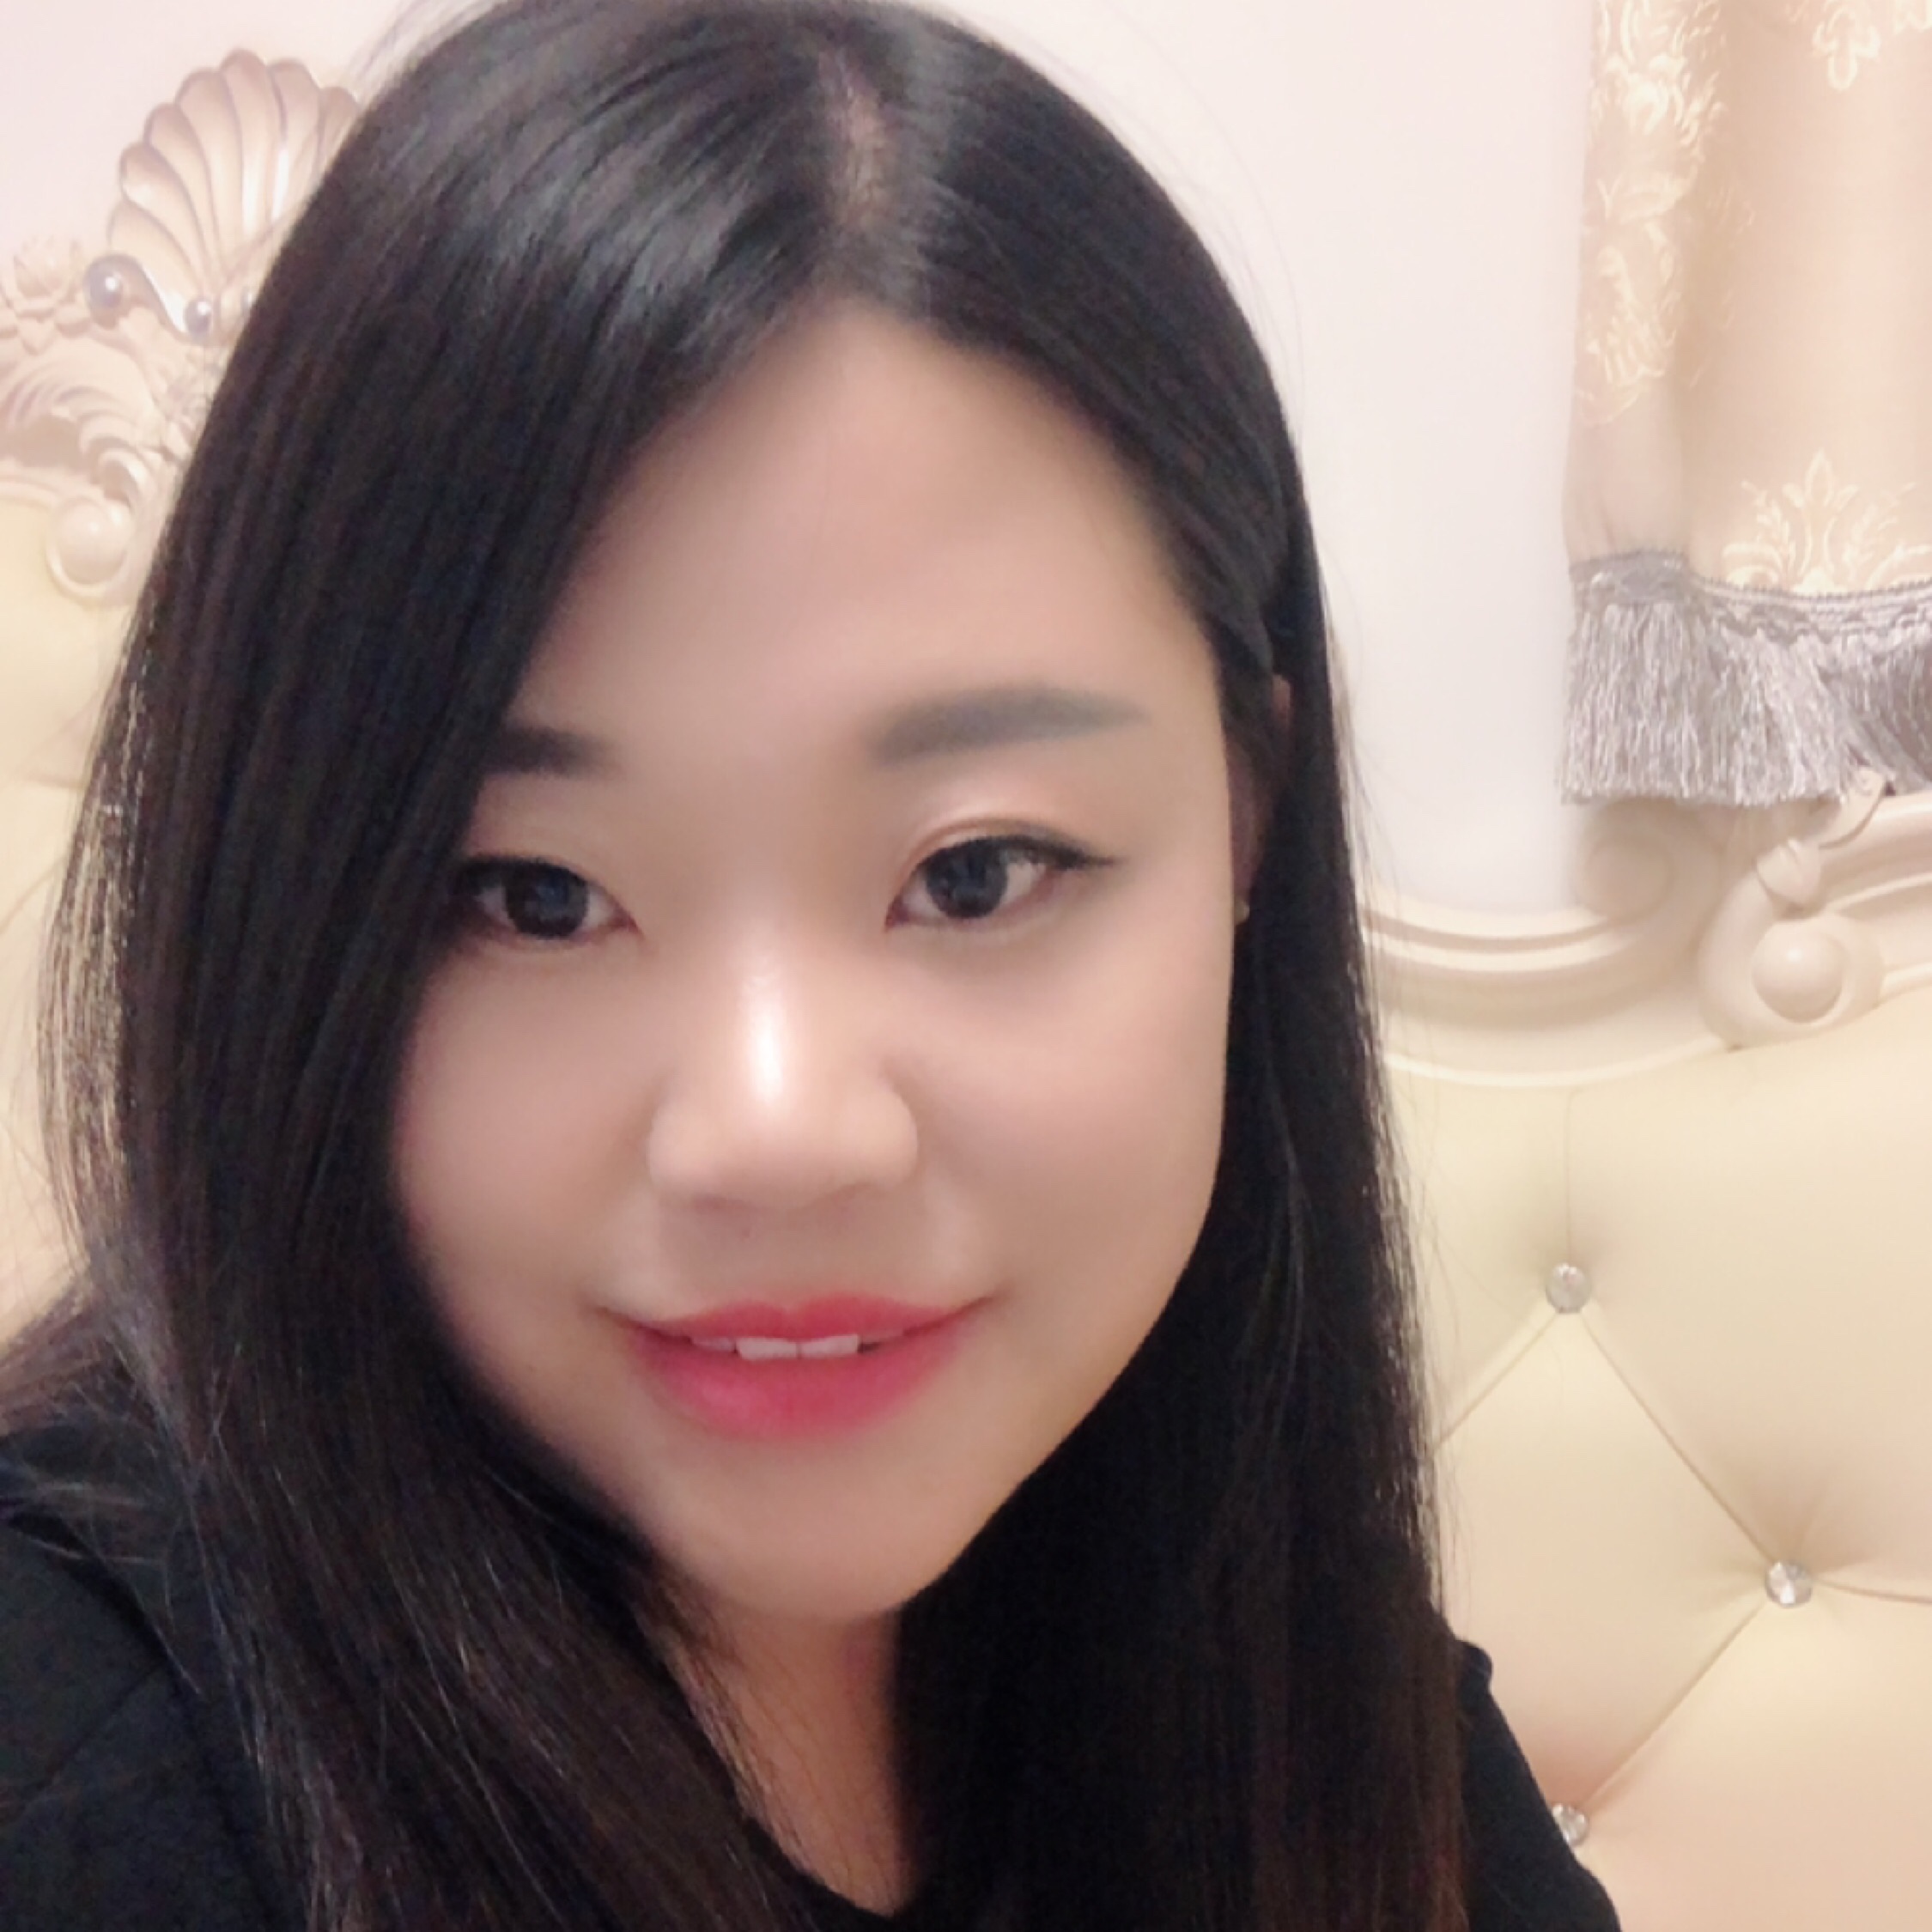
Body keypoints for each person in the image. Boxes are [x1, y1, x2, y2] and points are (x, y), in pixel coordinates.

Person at [0, 3, 1619, 1928]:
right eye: (533, 896)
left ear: (1246, 824)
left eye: (978, 874)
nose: (777, 1130)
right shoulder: (79, 1779)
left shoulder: (1310, 1701)